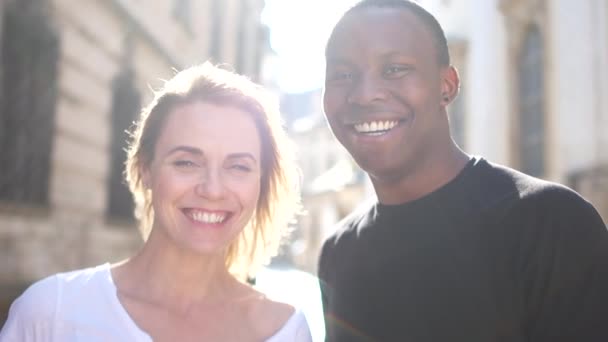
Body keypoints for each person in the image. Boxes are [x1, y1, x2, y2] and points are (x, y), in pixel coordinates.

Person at [317, 0, 608, 341]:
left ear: (447, 85)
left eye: (394, 68)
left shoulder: (551, 224)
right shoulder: (338, 254)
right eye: (343, 75)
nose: (364, 94)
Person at [0, 62, 312, 341]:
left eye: (239, 166)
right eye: (187, 162)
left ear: (261, 182)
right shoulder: (50, 314)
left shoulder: (287, 331)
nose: (213, 189)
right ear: (144, 169)